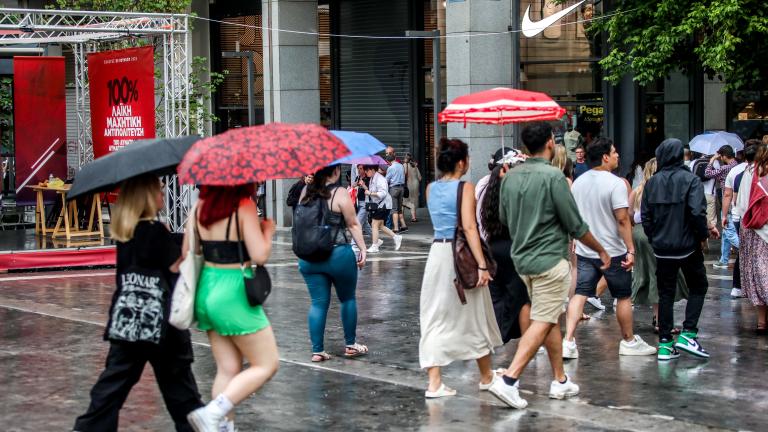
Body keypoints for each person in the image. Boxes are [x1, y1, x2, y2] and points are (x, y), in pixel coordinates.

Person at [490, 122, 609, 408]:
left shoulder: (510, 177)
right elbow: (575, 224)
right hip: (550, 260)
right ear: (549, 144)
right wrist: (601, 250)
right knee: (544, 318)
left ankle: (560, 379)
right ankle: (509, 379)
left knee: (550, 316)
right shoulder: (554, 177)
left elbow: (504, 218)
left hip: (522, 259)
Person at [74, 174, 204, 432]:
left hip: (128, 322)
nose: (163, 194)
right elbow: (178, 266)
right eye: (159, 190)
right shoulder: (155, 232)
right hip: (162, 323)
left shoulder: (126, 232)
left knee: (112, 386)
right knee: (181, 391)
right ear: (147, 197)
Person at [185, 184, 279, 432]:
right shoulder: (243, 206)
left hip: (207, 288)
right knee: (267, 363)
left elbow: (189, 251)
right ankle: (212, 413)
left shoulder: (199, 208)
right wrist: (267, 232)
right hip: (234, 292)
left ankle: (223, 427)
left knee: (228, 369)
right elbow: (260, 255)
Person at [419, 137, 502, 398]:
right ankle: (486, 376)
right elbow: (469, 227)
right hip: (461, 256)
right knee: (474, 314)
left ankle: (434, 383)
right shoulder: (465, 188)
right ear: (461, 162)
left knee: (434, 316)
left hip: (437, 254)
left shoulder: (430, 188)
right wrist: (482, 265)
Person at [563, 138, 656, 358]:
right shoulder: (616, 183)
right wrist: (630, 249)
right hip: (613, 250)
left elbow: (574, 215)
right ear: (605, 157)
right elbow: (622, 219)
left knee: (580, 294)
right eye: (614, 152)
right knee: (623, 296)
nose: (617, 155)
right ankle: (628, 341)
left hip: (586, 249)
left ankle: (568, 340)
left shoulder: (579, 182)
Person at [642, 138, 720, 361]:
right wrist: (701, 237)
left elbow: (645, 217)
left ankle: (665, 343)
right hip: (687, 246)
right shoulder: (691, 180)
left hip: (662, 248)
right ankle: (688, 333)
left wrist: (654, 238)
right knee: (699, 286)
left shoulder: (652, 183)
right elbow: (697, 213)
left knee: (665, 293)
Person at [297, 165, 369, 362]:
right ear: (335, 171)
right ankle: (350, 344)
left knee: (318, 303)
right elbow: (353, 223)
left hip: (309, 257)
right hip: (337, 255)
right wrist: (363, 249)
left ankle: (317, 351)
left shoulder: (305, 191)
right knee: (347, 299)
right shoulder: (340, 192)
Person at [629, 158, 688, 333]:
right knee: (660, 274)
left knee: (648, 272)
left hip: (639, 232)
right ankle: (661, 320)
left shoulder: (637, 191)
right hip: (657, 233)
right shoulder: (662, 189)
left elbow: (630, 215)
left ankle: (658, 317)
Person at [478, 153, 531, 344]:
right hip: (514, 248)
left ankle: (496, 334)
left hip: (493, 247)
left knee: (496, 297)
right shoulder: (516, 194)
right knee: (523, 299)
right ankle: (526, 342)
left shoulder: (487, 191)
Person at [737, 143, 768, 332]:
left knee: (758, 274)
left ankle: (762, 321)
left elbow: (741, 204)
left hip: (754, 230)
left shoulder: (750, 172)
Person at [730, 142, 761, 298]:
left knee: (745, 255)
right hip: (757, 222)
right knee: (758, 257)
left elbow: (734, 200)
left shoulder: (740, 174)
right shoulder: (758, 174)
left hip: (743, 219)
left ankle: (740, 287)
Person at [705, 145, 739, 268]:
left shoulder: (725, 168)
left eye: (721, 156)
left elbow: (707, 173)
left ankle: (749, 251)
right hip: (736, 202)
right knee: (725, 234)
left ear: (724, 156)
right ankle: (724, 260)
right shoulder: (738, 165)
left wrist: (712, 159)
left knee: (729, 233)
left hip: (727, 203)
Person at [360, 165, 402, 253]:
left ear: (372, 169)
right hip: (380, 205)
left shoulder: (380, 179)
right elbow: (371, 191)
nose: (365, 172)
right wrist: (364, 186)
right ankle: (396, 237)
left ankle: (375, 245)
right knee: (380, 225)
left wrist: (370, 193)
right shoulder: (373, 178)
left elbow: (383, 193)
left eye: (366, 170)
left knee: (374, 224)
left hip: (384, 205)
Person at [385, 153, 408, 233]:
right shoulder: (401, 166)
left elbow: (386, 180)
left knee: (394, 209)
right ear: (394, 158)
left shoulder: (390, 168)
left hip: (394, 188)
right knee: (399, 208)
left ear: (388, 161)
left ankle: (396, 228)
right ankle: (404, 226)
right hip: (402, 188)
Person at [352, 165, 372, 236]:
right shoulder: (358, 177)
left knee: (357, 222)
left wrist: (363, 185)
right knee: (365, 223)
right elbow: (354, 187)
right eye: (358, 168)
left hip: (365, 202)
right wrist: (354, 185)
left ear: (364, 170)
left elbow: (369, 190)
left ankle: (354, 242)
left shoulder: (368, 178)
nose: (359, 170)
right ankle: (376, 238)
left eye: (360, 169)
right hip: (358, 202)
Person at [402, 153, 422, 223]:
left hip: (408, 185)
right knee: (413, 201)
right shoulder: (414, 166)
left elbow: (403, 175)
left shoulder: (404, 165)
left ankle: (401, 218)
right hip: (415, 185)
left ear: (405, 158)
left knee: (404, 201)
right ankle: (414, 217)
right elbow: (420, 178)